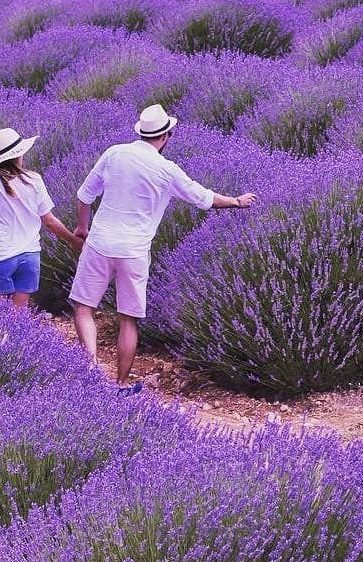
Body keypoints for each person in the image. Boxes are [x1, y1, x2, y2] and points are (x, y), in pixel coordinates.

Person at [70, 103, 256, 394]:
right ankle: (119, 384)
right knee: (127, 320)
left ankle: (91, 370)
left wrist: (82, 227)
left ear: (141, 132)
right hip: (134, 251)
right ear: (166, 136)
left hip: (100, 243)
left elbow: (84, 195)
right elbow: (203, 198)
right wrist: (236, 201)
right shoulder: (166, 169)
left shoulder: (114, 154)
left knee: (84, 308)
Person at [0, 127, 81, 308]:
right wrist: (73, 240)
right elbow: (50, 220)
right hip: (29, 256)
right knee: (18, 316)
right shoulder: (34, 179)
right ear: (19, 154)